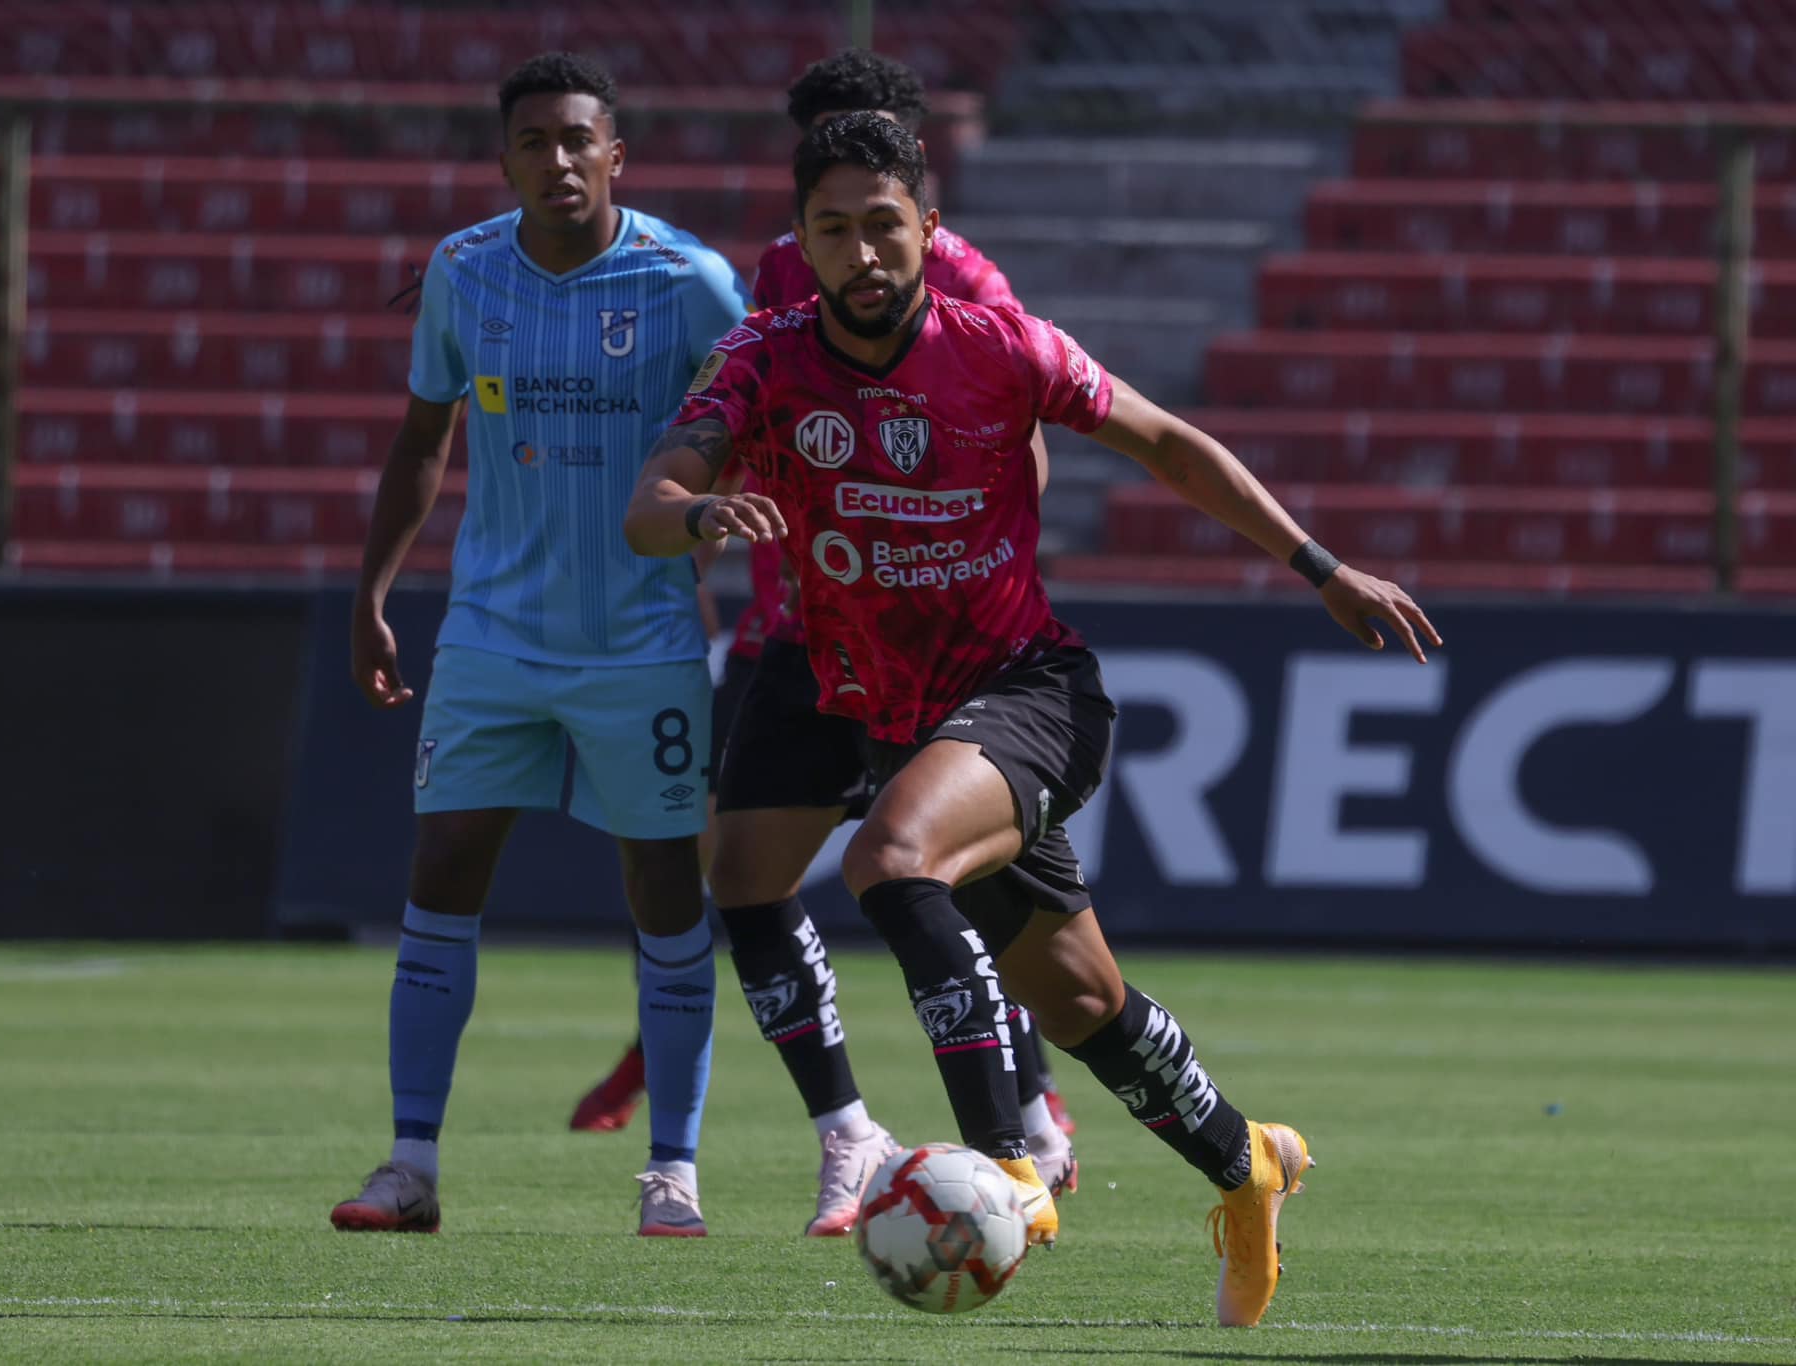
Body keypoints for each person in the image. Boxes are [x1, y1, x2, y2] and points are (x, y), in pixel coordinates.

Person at [625, 113, 1440, 1322]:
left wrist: (1317, 567)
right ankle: (1246, 1158)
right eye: (832, 229)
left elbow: (1165, 442)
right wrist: (695, 516)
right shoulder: (758, 360)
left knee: (889, 859)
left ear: (928, 229)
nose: (861, 253)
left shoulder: (1001, 348)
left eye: (883, 226)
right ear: (800, 240)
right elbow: (652, 500)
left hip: (1026, 692)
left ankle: (1006, 1157)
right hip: (886, 709)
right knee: (1081, 1002)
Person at [570, 50, 1080, 1241]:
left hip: (941, 639)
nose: (855, 234)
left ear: (912, 164)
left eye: (872, 146)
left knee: (958, 883)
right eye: (824, 152)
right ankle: (849, 1128)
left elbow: (1024, 440)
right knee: (740, 869)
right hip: (798, 624)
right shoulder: (787, 275)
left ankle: (1027, 1111)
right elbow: (761, 417)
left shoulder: (962, 284)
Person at [327, 52, 751, 1239]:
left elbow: (755, 422)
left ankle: (673, 1169)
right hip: (493, 636)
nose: (556, 160)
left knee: (664, 892)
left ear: (617, 154)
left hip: (642, 640)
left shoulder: (688, 283)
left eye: (578, 139)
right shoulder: (463, 273)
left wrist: (715, 529)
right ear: (504, 157)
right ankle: (410, 1164)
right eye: (533, 142)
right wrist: (374, 592)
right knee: (442, 871)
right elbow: (423, 438)